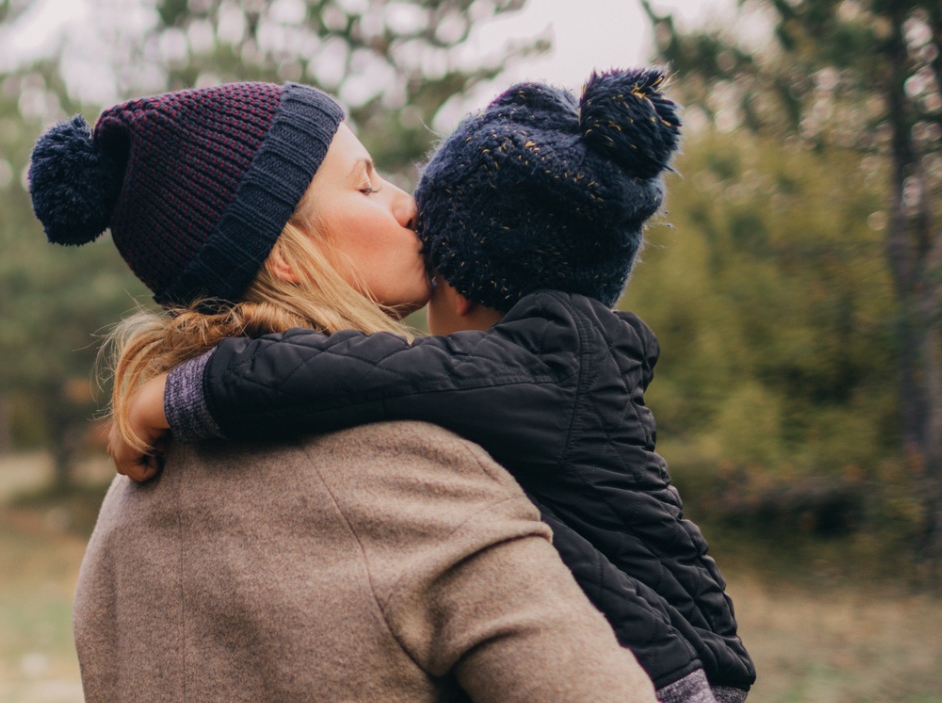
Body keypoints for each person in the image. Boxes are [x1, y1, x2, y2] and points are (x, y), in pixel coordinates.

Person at [117, 70, 757, 703]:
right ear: (283, 250)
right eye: (366, 185)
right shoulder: (418, 472)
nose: (408, 206)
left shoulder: (128, 504)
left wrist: (173, 393)